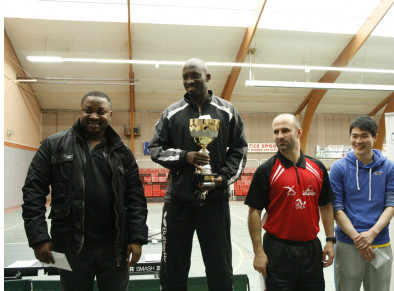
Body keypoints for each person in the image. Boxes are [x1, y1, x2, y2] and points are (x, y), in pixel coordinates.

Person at [22, 91, 149, 291]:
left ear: (110, 115)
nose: (94, 116)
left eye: (101, 111)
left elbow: (135, 198)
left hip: (115, 247)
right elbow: (33, 192)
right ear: (80, 112)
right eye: (88, 110)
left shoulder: (123, 152)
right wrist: (39, 237)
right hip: (71, 246)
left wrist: (137, 238)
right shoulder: (53, 145)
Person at [148, 58, 248, 290]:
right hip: (178, 202)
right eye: (185, 77)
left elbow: (240, 149)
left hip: (214, 203)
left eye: (195, 75)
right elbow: (155, 149)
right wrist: (185, 157)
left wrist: (222, 178)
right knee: (173, 265)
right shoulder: (172, 113)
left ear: (208, 77)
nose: (189, 80)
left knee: (219, 267)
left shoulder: (227, 111)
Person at [245, 113, 335, 291]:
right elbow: (254, 212)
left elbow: (326, 205)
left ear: (299, 132)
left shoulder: (317, 168)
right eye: (276, 132)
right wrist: (258, 251)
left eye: (285, 130)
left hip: (311, 250)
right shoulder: (266, 170)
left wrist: (330, 240)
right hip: (278, 252)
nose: (280, 136)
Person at [330, 115, 394, 291]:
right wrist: (357, 238)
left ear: (375, 137)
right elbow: (337, 208)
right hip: (348, 243)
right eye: (354, 136)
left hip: (380, 242)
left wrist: (373, 233)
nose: (358, 141)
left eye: (364, 136)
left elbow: (391, 204)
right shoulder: (339, 168)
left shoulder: (388, 167)